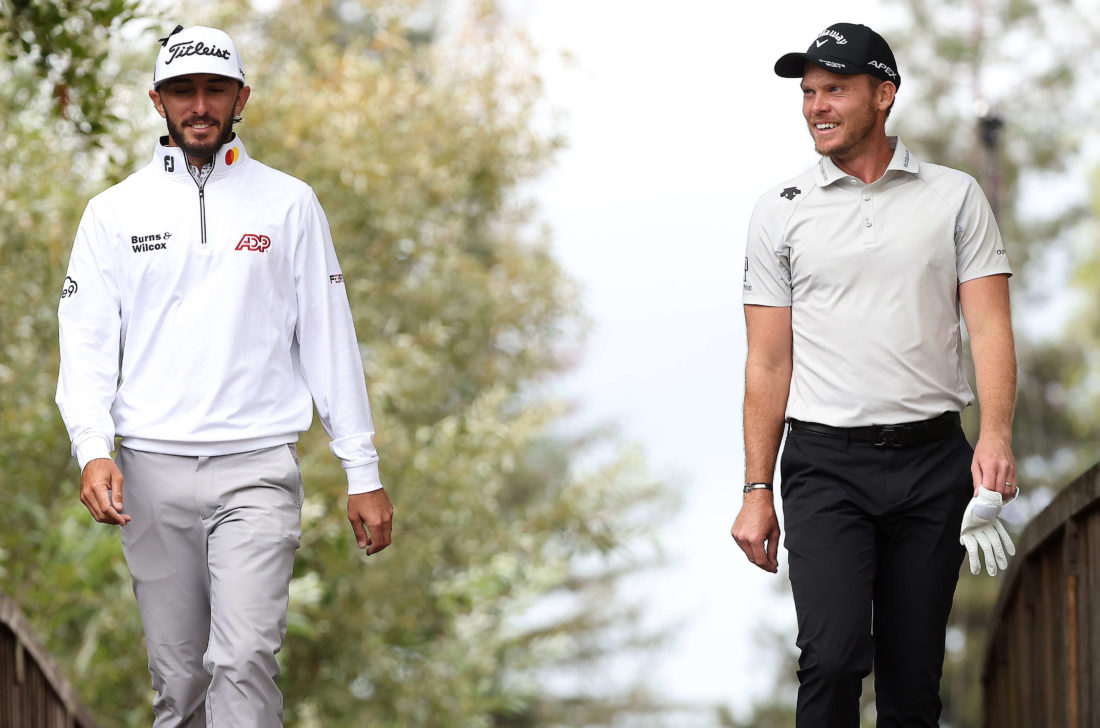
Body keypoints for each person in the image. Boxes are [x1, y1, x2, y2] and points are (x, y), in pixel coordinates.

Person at [55, 24, 393, 726]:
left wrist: (362, 470)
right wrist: (93, 449)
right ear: (158, 102)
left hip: (259, 467)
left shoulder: (290, 203)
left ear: (242, 96)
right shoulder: (113, 214)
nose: (199, 105)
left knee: (242, 661)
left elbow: (330, 339)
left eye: (215, 89)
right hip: (150, 471)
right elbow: (86, 345)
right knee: (179, 685)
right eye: (184, 91)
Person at [731, 22, 1019, 727]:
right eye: (808, 93)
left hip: (932, 464)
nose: (815, 106)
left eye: (835, 89)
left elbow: (989, 327)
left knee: (912, 679)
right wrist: (756, 489)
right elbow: (768, 360)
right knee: (830, 661)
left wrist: (997, 437)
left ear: (884, 95)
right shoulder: (779, 211)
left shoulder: (954, 198)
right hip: (825, 465)